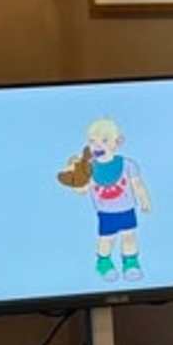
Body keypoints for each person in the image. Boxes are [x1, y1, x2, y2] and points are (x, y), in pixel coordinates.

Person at [57, 117, 151, 280]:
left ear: (118, 142)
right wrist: (75, 179)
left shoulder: (127, 165)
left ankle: (131, 262)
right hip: (106, 213)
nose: (98, 145)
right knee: (107, 239)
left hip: (127, 209)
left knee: (129, 236)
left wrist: (144, 200)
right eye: (92, 141)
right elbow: (83, 190)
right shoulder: (89, 168)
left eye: (104, 140)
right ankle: (104, 262)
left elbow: (138, 185)